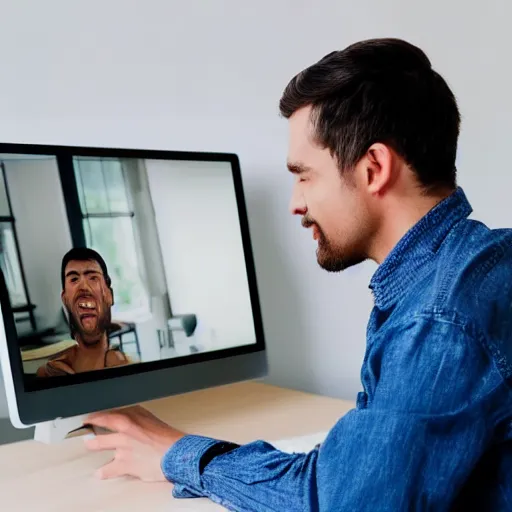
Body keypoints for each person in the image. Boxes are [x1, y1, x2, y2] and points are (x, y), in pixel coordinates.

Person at [84, 38, 512, 510]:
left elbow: (344, 502)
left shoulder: (438, 322)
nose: (295, 202)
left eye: (304, 174)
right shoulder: (478, 264)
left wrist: (177, 454)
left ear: (373, 168)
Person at [37, 248, 130, 377]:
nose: (84, 287)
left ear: (109, 296)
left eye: (93, 278)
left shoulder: (130, 367)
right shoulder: (50, 373)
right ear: (65, 299)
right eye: (74, 279)